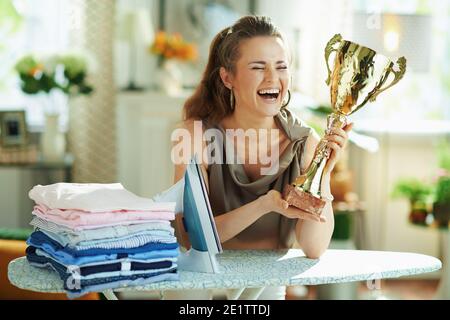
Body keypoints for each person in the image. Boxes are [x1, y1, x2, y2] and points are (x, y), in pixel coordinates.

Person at [165, 15, 353, 300]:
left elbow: (313, 247)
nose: (272, 78)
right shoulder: (196, 136)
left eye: (281, 67)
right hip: (197, 277)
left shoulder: (304, 142)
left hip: (265, 282)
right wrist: (264, 205)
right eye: (257, 67)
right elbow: (192, 238)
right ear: (227, 77)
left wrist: (322, 173)